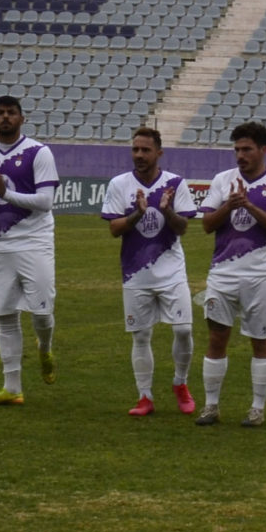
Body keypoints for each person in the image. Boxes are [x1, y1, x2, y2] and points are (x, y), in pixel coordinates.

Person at [196, 121, 266, 428]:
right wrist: (230, 204)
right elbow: (208, 224)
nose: (240, 155)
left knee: (261, 340)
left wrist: (249, 206)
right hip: (222, 275)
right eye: (237, 149)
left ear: (263, 150)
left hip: (260, 276)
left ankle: (257, 408)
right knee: (216, 338)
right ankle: (211, 406)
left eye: (247, 149)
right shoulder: (222, 180)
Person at [0, 95, 59, 406]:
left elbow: (46, 202)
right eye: (0, 113)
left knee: (43, 313)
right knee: (5, 315)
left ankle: (45, 347)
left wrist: (9, 193)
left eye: (11, 113)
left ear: (22, 118)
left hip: (35, 241)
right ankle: (12, 387)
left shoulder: (38, 152)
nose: (5, 117)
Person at [101, 126, 196, 418]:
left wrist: (166, 211)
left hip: (171, 271)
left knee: (183, 329)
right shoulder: (119, 184)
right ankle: (145, 397)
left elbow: (183, 228)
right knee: (141, 336)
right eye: (135, 149)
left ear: (159, 153)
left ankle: (180, 383)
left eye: (145, 150)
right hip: (135, 274)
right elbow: (114, 229)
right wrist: (138, 213)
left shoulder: (175, 184)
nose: (139, 155)